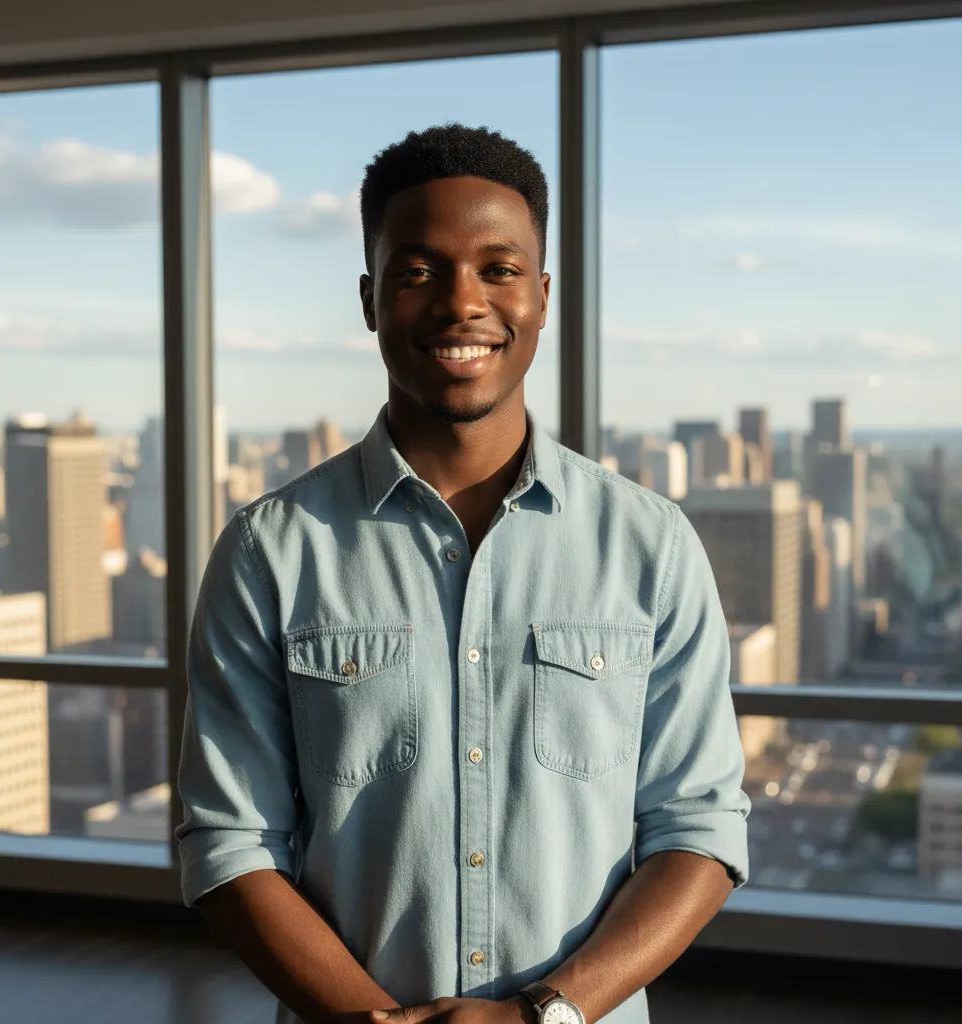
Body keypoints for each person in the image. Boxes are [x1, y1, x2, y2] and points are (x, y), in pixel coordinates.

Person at [176, 123, 749, 1024]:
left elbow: (700, 829)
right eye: (418, 272)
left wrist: (542, 1016)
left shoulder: (652, 544)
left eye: (499, 269)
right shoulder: (269, 550)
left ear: (544, 295)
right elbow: (230, 843)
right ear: (370, 300)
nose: (462, 303)